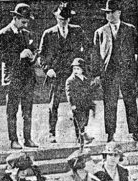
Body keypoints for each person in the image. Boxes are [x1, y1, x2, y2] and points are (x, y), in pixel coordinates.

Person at [39, 2, 88, 143]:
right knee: (53, 104)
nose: (63, 22)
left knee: (77, 104)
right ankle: (51, 133)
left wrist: (81, 65)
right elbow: (41, 55)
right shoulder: (48, 34)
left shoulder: (77, 31)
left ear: (69, 19)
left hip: (73, 75)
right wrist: (48, 69)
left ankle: (80, 134)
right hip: (56, 75)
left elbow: (88, 48)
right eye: (60, 19)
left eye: (66, 19)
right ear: (56, 18)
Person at [92, 0, 138, 142]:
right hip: (109, 73)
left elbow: (136, 51)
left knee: (131, 102)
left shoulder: (130, 29)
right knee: (110, 103)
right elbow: (96, 55)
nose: (110, 15)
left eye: (112, 12)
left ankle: (135, 131)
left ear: (119, 12)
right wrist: (96, 74)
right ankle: (110, 134)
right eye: (107, 13)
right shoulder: (100, 32)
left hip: (127, 72)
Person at [0, 3, 38, 149]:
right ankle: (13, 140)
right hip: (13, 79)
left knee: (28, 111)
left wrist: (33, 57)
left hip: (27, 78)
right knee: (12, 111)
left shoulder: (27, 34)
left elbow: (34, 50)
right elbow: (0, 56)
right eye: (23, 21)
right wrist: (19, 55)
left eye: (27, 22)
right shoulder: (3, 34)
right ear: (15, 18)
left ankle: (28, 138)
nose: (25, 25)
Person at [66, 58, 96, 145]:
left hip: (85, 104)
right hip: (77, 104)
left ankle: (83, 135)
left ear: (82, 70)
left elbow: (88, 91)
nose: (75, 71)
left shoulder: (85, 79)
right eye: (74, 69)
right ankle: (80, 138)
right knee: (78, 122)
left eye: (78, 69)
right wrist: (72, 104)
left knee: (85, 120)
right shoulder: (70, 80)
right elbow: (69, 93)